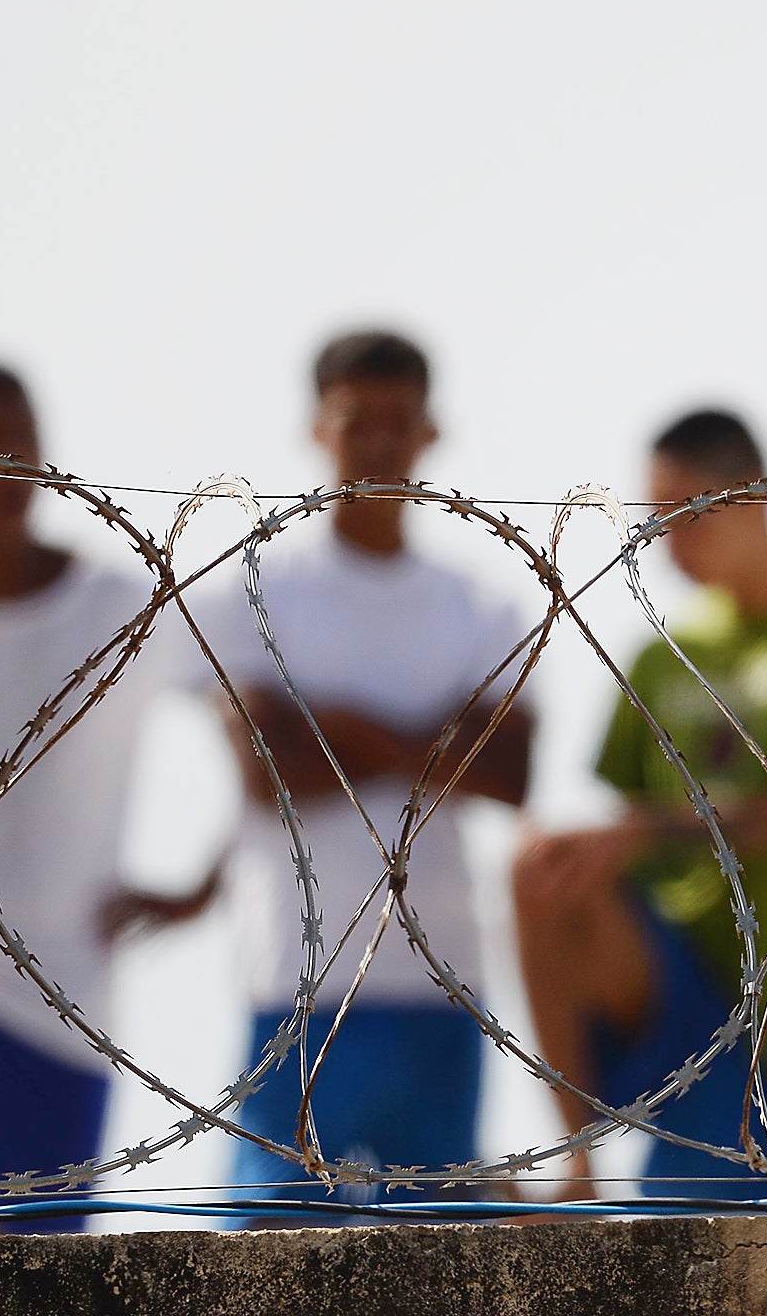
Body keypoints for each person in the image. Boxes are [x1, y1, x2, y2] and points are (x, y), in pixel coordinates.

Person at [194, 330, 533, 1211]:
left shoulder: (481, 603)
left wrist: (333, 724)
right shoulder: (257, 589)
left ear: (431, 431)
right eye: (358, 420)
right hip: (299, 977)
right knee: (269, 1242)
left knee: (443, 1253)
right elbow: (266, 770)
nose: (379, 443)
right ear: (318, 427)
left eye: (399, 420)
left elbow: (510, 772)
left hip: (440, 971)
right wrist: (430, 745)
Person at [512, 409, 767, 1199]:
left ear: (753, 496)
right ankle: (577, 1162)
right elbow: (612, 835)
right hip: (672, 994)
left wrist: (649, 830)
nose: (667, 540)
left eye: (686, 513)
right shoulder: (662, 653)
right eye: (654, 518)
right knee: (540, 866)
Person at [0, 365, 201, 1232]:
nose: (8, 468)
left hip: (55, 1003)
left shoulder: (118, 604)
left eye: (23, 446)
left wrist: (201, 888)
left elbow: (248, 714)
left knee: (23, 1271)